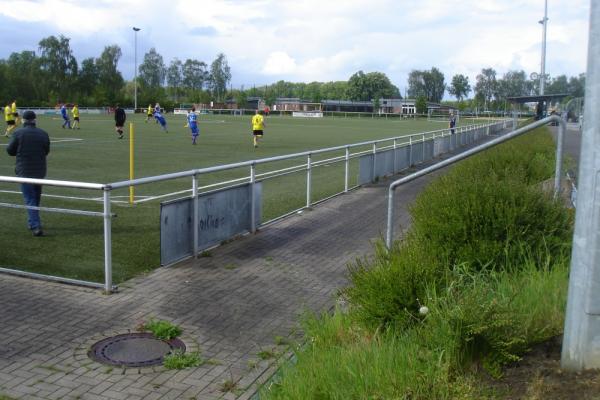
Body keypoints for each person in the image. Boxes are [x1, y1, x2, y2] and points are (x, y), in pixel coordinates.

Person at [6, 110, 50, 237]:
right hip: (40, 171)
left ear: (24, 120)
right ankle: (32, 222)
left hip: (24, 170)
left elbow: (10, 150)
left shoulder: (18, 133)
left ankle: (36, 226)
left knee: (30, 198)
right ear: (35, 120)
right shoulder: (43, 133)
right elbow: (46, 151)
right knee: (36, 197)